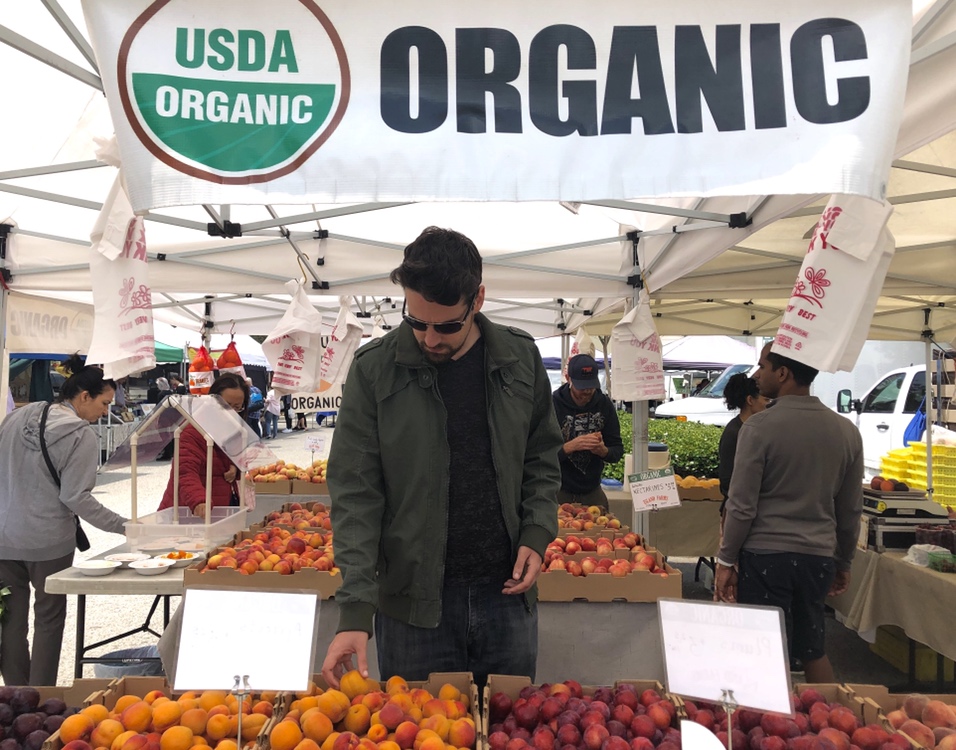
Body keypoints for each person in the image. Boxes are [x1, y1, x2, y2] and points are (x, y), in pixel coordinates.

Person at [321, 226, 562, 691]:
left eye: (446, 325)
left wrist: (537, 530)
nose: (429, 338)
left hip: (507, 600)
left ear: (479, 299)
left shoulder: (521, 359)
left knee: (508, 732)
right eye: (416, 321)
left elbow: (542, 457)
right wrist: (355, 608)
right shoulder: (375, 369)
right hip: (413, 610)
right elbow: (355, 492)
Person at [714, 343, 864, 683]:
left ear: (783, 374)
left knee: (765, 650)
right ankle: (830, 724)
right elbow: (850, 508)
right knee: (813, 648)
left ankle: (773, 729)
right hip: (817, 556)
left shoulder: (758, 428)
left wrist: (726, 560)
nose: (757, 374)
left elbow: (741, 504)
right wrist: (843, 561)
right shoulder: (846, 432)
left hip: (766, 557)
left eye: (763, 365)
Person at [0, 354, 128, 685]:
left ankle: (15, 698)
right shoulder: (80, 435)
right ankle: (40, 698)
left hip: (4, 537)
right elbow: (76, 498)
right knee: (49, 619)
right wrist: (126, 526)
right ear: (84, 396)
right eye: (103, 403)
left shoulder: (18, 416)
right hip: (48, 540)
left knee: (10, 622)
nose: (105, 412)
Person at [157, 372, 248, 517]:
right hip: (188, 513)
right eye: (226, 406)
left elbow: (232, 459)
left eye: (237, 407)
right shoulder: (192, 430)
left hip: (220, 508)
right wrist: (199, 501)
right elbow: (185, 471)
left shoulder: (235, 430)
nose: (231, 412)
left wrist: (235, 467)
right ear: (212, 402)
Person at [552, 354, 624, 511]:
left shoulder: (604, 405)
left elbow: (617, 451)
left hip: (593, 492)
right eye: (581, 387)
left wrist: (603, 451)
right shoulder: (552, 405)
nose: (586, 392)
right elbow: (539, 455)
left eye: (591, 387)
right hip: (558, 491)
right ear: (568, 378)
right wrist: (568, 447)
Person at [717, 373, 769, 517]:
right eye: (766, 399)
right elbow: (727, 480)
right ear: (750, 400)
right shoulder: (734, 432)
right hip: (737, 511)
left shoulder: (757, 428)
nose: (769, 404)